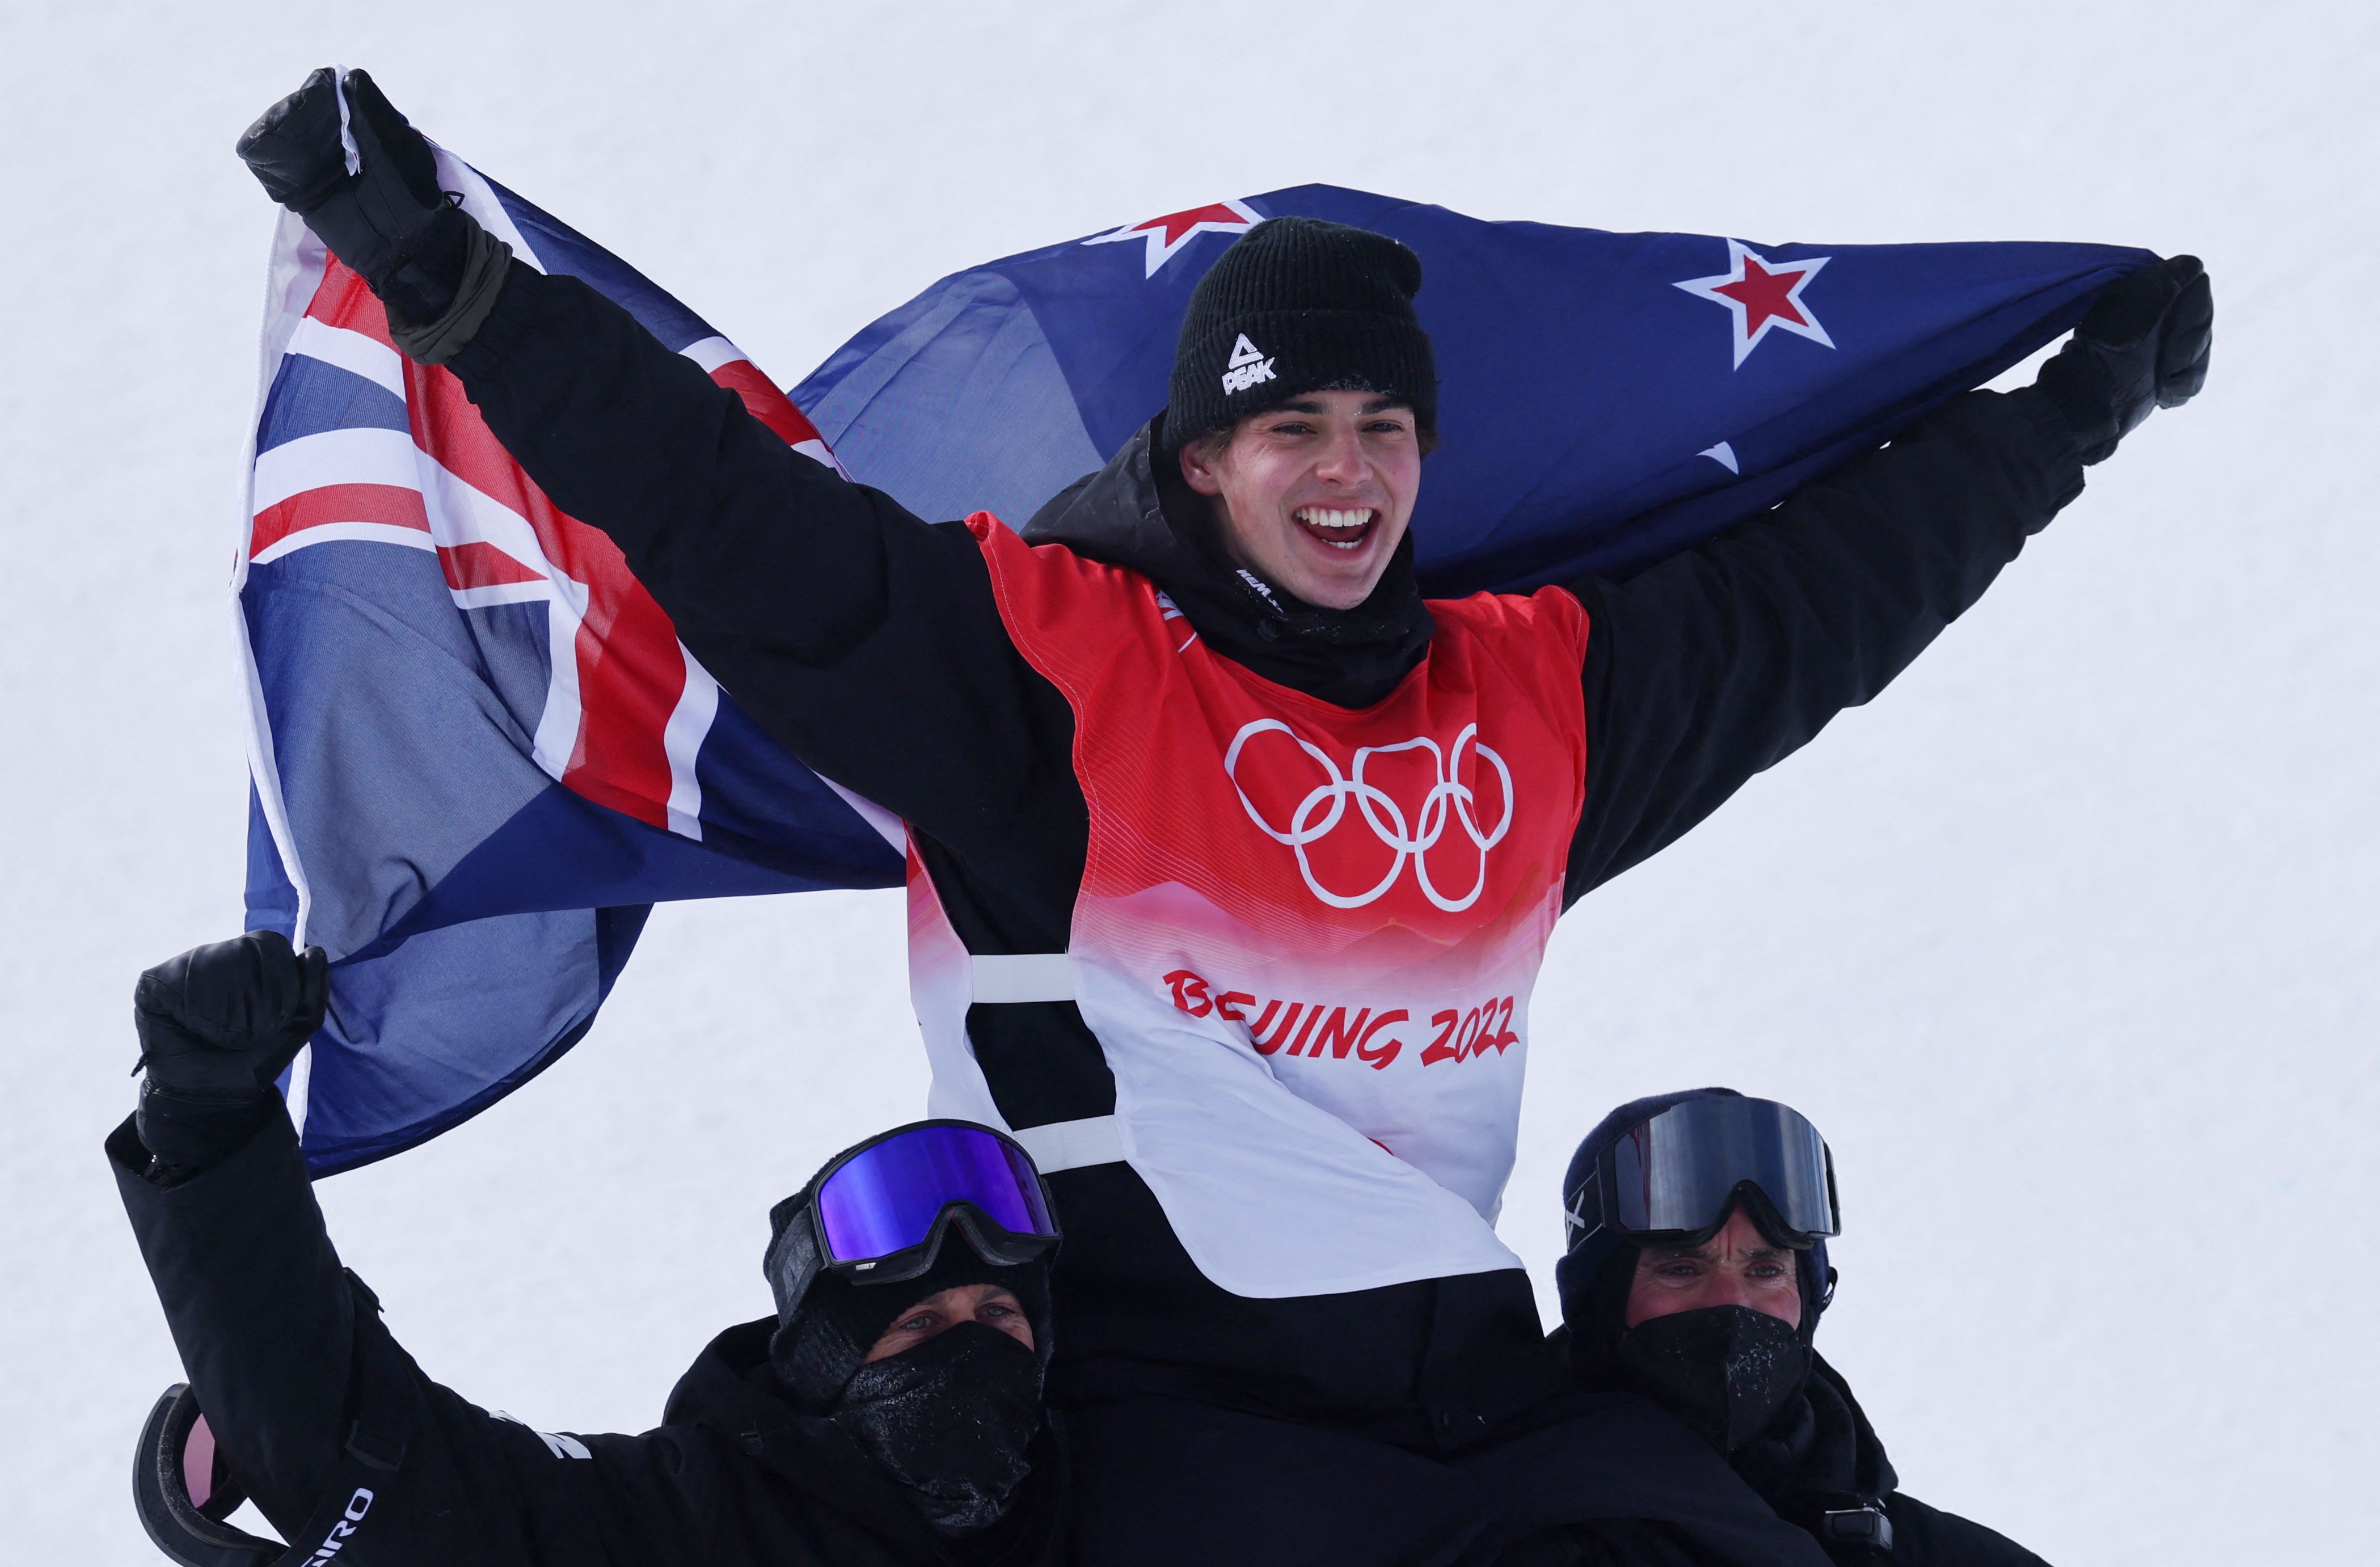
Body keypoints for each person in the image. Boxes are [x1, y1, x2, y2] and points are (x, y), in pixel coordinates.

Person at [229, 69, 2212, 1563]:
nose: (1339, 474)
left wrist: (2057, 420)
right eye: (1290, 430)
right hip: (1169, 1408)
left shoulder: (1524, 696)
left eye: (1378, 429)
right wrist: (468, 301)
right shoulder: (1037, 676)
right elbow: (741, 529)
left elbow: (1811, 607)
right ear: (1198, 462)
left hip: (1486, 1392)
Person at [113, 930, 1070, 1566]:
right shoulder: (691, 1524)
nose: (968, 1343)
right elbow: (398, 1479)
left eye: (997, 1312)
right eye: (918, 1319)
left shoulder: (1121, 1480)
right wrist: (208, 1125)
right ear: (825, 1362)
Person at [1548, 1089, 2051, 1565]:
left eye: (1765, 1270)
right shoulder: (1500, 1519)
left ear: (1811, 1300)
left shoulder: (1934, 1554)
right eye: (1682, 1269)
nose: (1733, 1303)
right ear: (1601, 1305)